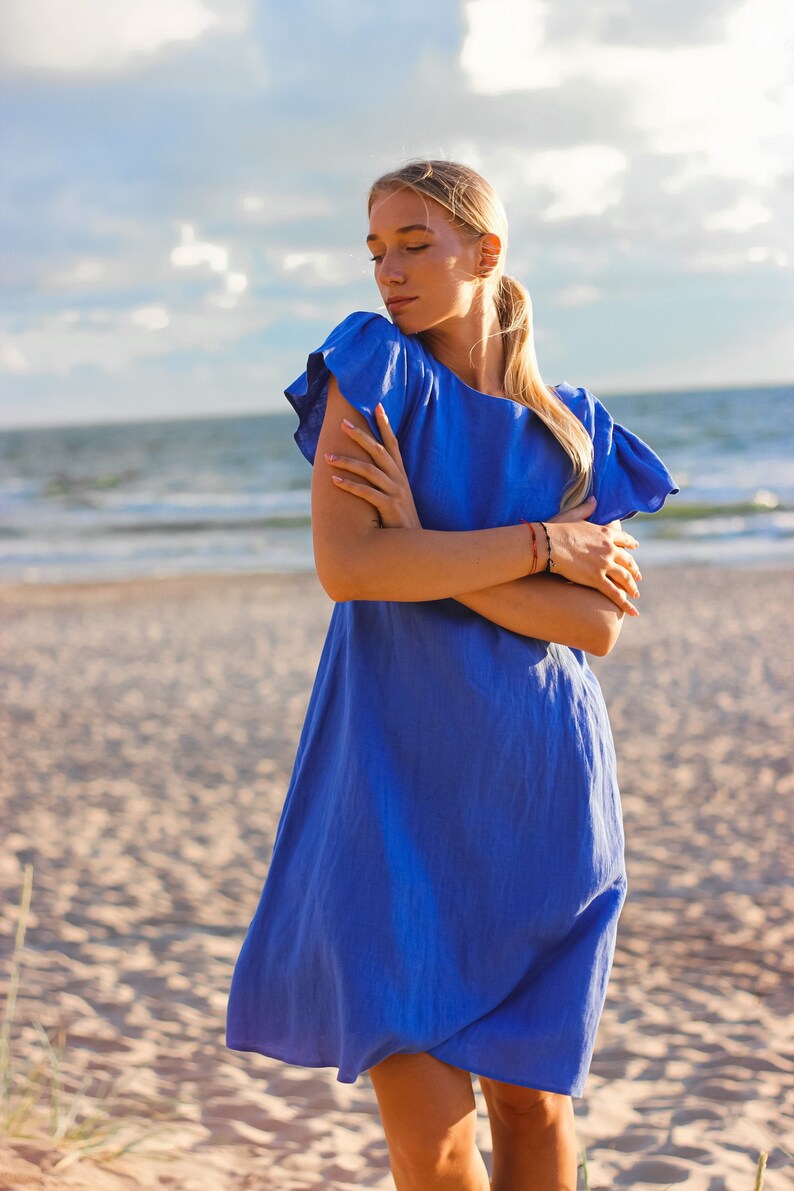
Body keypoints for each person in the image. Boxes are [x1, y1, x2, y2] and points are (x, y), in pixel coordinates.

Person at [226, 159, 678, 1190]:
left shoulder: (573, 429)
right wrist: (536, 546)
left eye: (414, 244)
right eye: (375, 248)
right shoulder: (372, 368)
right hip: (389, 792)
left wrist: (427, 541)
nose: (388, 270)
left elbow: (591, 630)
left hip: (539, 795)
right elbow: (352, 567)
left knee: (532, 1110)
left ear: (486, 253)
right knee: (430, 1147)